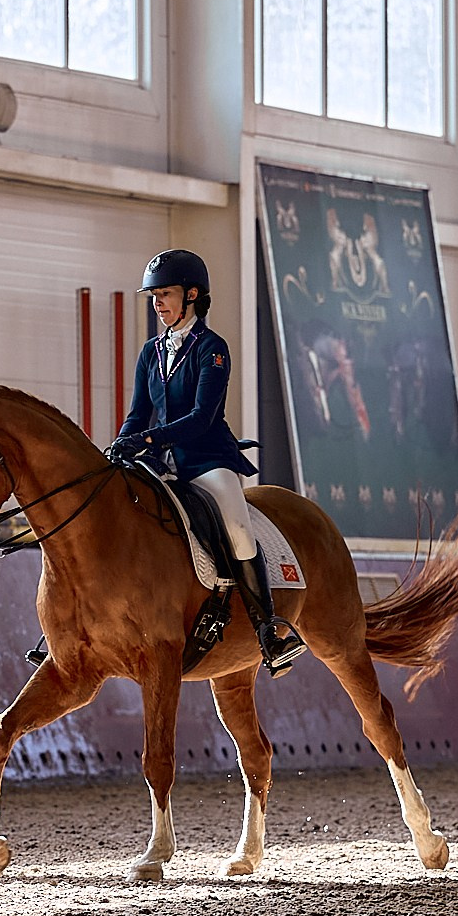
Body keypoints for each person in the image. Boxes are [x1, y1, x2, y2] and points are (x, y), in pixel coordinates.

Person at [110, 249, 307, 676]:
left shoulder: (212, 349)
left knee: (237, 529)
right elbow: (138, 412)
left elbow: (202, 417)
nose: (158, 303)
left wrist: (147, 438)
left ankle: (268, 630)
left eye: (165, 294)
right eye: (154, 296)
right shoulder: (151, 352)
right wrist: (123, 441)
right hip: (159, 462)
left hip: (206, 460)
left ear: (192, 295)